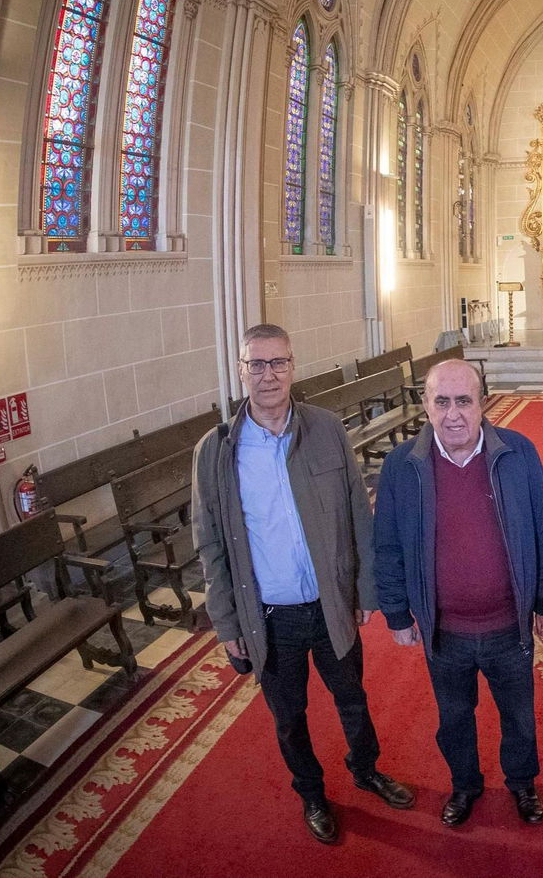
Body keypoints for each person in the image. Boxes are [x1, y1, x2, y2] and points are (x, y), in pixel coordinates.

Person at [192, 324, 412, 845]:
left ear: (293, 365)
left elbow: (359, 513)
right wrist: (226, 622)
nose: (268, 376)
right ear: (240, 370)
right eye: (256, 365)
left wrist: (364, 589)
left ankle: (365, 769)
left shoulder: (326, 428)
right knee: (289, 717)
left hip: (330, 603)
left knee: (352, 697)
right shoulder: (216, 451)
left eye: (278, 363)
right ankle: (312, 793)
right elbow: (210, 543)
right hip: (269, 614)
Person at [374, 359, 543, 828]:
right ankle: (465, 785)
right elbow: (388, 544)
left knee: (518, 716)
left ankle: (521, 782)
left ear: (483, 403)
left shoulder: (517, 452)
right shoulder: (403, 466)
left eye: (464, 401)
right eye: (442, 401)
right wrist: (397, 613)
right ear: (425, 405)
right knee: (454, 717)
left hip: (508, 623)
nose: (453, 413)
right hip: (445, 631)